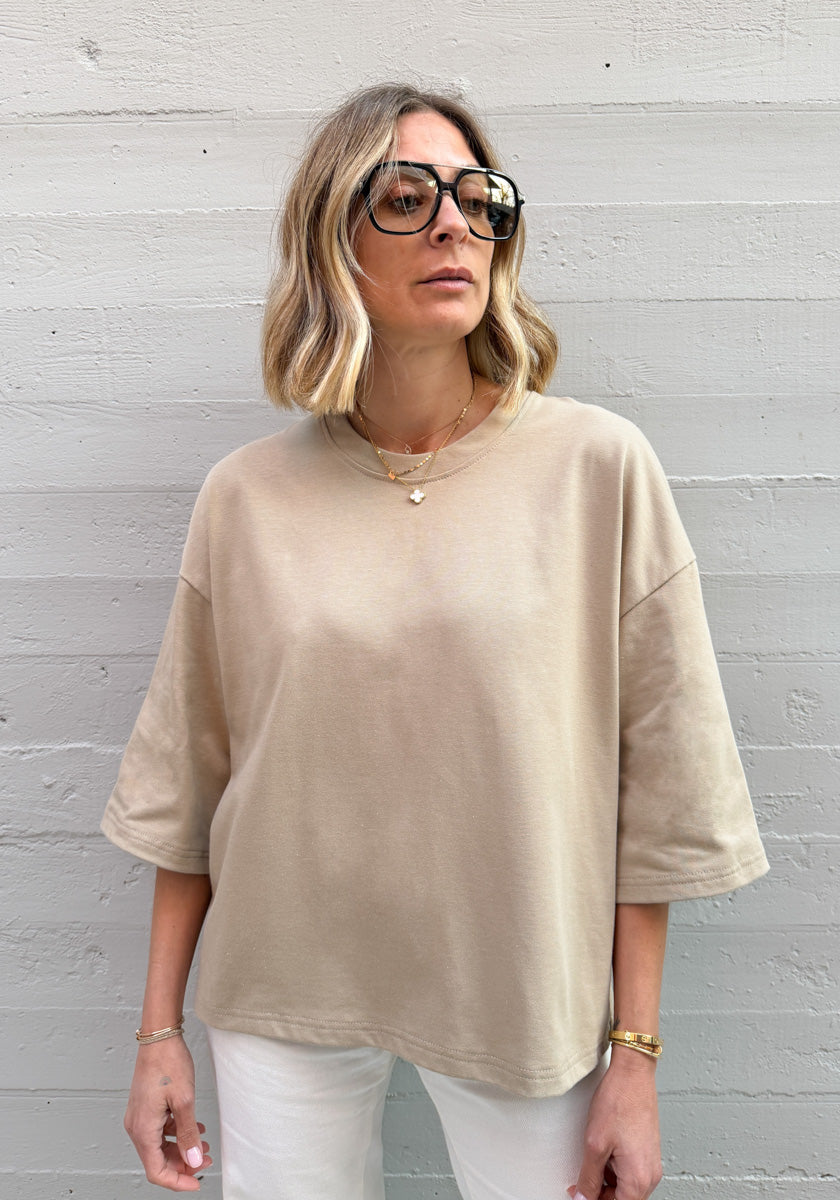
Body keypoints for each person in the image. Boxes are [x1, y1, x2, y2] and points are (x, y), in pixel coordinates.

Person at [101, 82, 769, 1200]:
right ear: (334, 239)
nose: (455, 224)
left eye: (477, 198)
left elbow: (663, 787)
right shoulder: (247, 497)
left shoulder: (597, 468)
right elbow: (190, 779)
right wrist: (157, 1033)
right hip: (283, 982)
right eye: (407, 198)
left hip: (521, 989)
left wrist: (636, 1056)